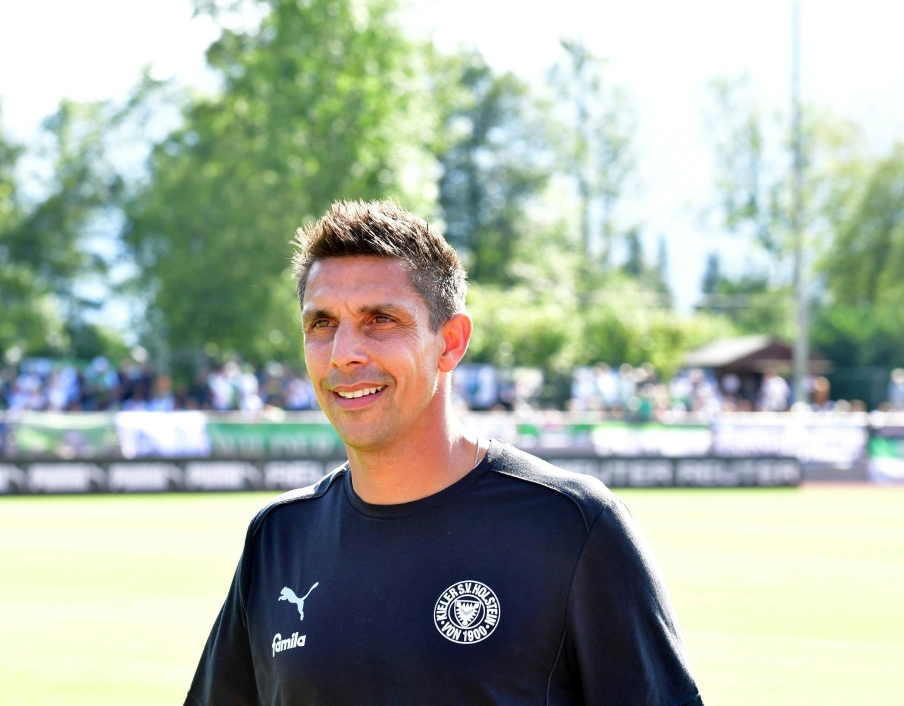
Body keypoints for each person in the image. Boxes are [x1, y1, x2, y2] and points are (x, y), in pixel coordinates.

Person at [184, 200, 702, 705]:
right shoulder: (278, 537)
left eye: (380, 319)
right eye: (322, 324)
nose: (344, 352)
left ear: (451, 342)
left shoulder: (573, 527)